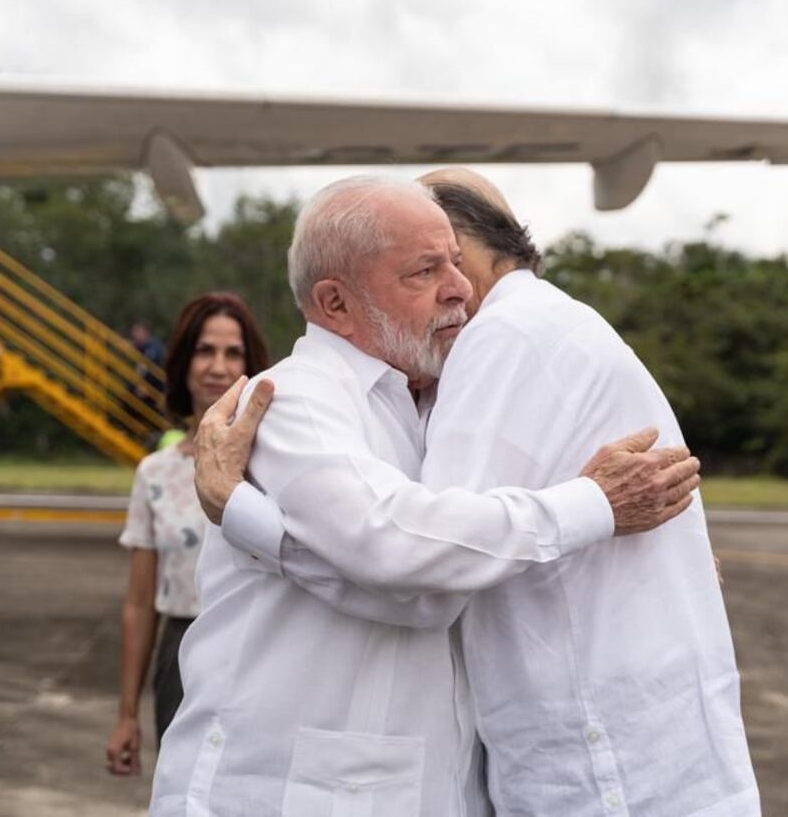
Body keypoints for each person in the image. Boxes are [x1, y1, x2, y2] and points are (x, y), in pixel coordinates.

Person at [213, 168, 759, 814]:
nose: (458, 290)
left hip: (600, 771)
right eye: (424, 270)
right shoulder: (299, 396)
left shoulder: (499, 338)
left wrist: (243, 516)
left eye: (454, 261)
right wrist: (596, 506)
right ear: (336, 302)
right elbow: (423, 564)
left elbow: (428, 577)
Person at [105, 293, 269, 776]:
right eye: (205, 351)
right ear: (182, 363)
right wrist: (126, 714)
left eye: (233, 353)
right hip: (180, 658)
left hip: (260, 651)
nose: (218, 366)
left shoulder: (277, 464)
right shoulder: (154, 473)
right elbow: (139, 604)